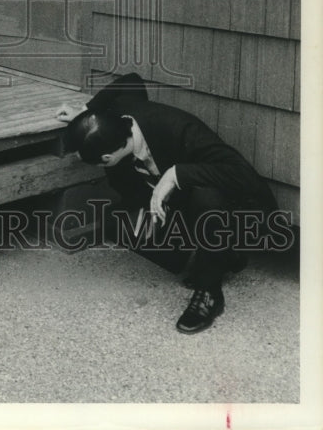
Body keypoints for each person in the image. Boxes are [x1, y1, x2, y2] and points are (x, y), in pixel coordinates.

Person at [56, 73, 278, 334]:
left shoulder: (179, 129)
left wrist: (176, 174)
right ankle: (224, 255)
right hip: (176, 201)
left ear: (107, 158)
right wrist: (85, 114)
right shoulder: (118, 114)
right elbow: (131, 79)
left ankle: (209, 292)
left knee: (207, 198)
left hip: (239, 210)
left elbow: (242, 175)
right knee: (132, 233)